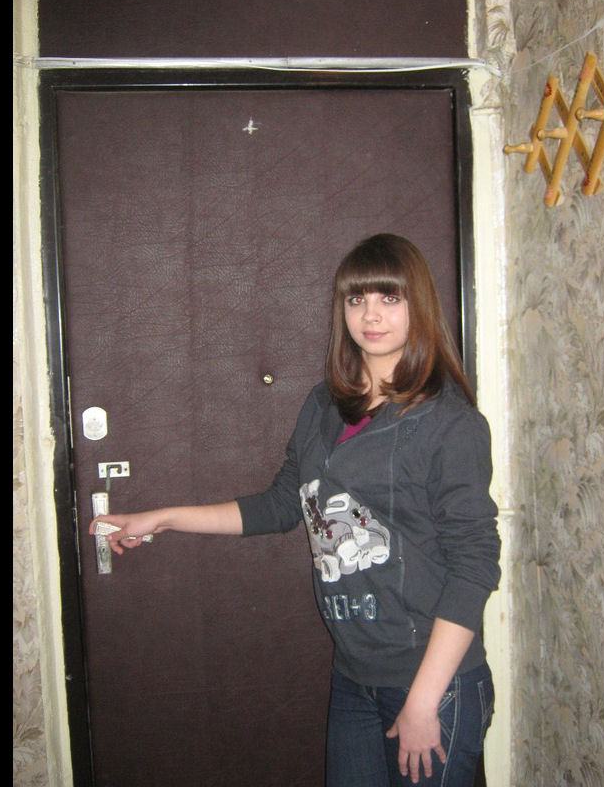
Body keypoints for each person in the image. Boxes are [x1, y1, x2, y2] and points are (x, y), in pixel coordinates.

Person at [90, 233, 501, 786]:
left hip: (432, 681)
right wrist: (161, 518)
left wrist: (425, 701)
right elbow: (285, 505)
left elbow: (475, 563)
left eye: (390, 298)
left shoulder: (448, 422)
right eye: (357, 299)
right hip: (354, 674)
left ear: (419, 306)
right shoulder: (323, 405)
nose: (371, 315)